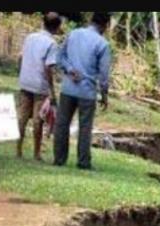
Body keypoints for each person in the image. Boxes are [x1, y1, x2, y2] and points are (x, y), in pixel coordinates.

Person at [53, 12, 112, 170]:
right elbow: (104, 75)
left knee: (62, 124)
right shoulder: (103, 44)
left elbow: (59, 56)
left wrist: (70, 69)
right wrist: (104, 96)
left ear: (91, 21)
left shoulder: (74, 34)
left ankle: (59, 159)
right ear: (104, 25)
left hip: (68, 88)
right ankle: (83, 162)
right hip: (87, 92)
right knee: (85, 128)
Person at [16, 12, 61, 161]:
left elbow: (20, 57)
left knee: (22, 117)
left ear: (43, 23)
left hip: (25, 81)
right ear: (57, 28)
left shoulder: (30, 37)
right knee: (38, 120)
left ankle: (18, 151)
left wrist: (21, 73)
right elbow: (48, 68)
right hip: (40, 85)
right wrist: (52, 91)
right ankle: (36, 154)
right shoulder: (52, 43)